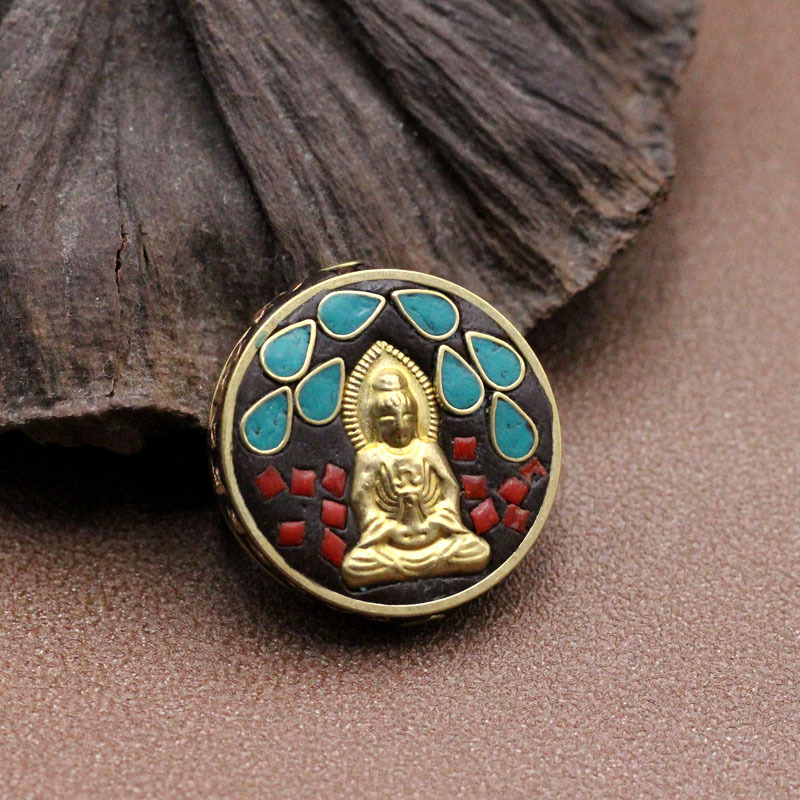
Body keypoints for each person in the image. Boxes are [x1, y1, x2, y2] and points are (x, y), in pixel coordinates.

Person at [341, 368, 490, 588]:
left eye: (407, 416)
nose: (400, 426)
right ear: (374, 423)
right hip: (390, 545)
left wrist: (438, 520)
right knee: (355, 566)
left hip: (436, 538)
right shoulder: (370, 457)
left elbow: (449, 486)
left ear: (417, 417)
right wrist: (388, 529)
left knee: (476, 551)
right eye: (389, 419)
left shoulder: (428, 449)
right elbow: (361, 499)